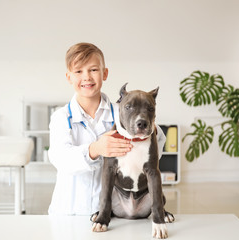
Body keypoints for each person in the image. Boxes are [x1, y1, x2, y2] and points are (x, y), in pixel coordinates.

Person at [48, 42, 165, 215]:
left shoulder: (124, 112)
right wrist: (95, 149)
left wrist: (145, 132)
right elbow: (60, 159)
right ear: (69, 77)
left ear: (105, 73)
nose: (87, 77)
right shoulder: (61, 117)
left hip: (113, 213)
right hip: (68, 211)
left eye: (93, 70)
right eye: (79, 71)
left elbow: (158, 139)